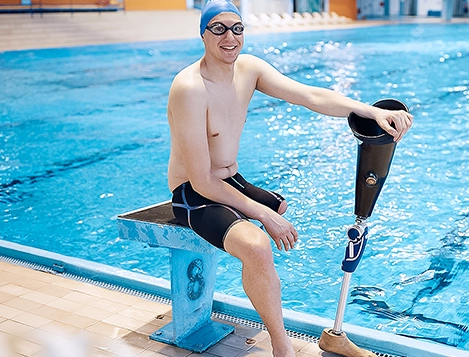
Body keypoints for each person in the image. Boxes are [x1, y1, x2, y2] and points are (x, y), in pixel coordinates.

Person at [166, 1, 413, 356]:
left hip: (230, 178)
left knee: (280, 205)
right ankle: (283, 348)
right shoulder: (190, 88)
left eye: (237, 28)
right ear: (203, 34)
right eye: (218, 28)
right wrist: (264, 216)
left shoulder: (248, 69)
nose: (230, 37)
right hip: (194, 192)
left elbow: (309, 96)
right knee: (258, 246)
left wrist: (368, 109)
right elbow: (203, 181)